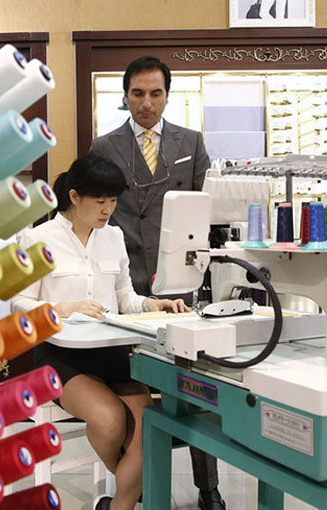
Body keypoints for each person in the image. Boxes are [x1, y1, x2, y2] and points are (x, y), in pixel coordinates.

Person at [11, 154, 190, 510]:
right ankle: (131, 481)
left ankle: (116, 504)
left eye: (113, 201)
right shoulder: (37, 239)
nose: (108, 209)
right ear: (74, 196)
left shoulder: (114, 237)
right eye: (100, 201)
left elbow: (125, 297)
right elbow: (19, 303)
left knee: (147, 430)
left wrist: (152, 304)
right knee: (110, 421)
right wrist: (63, 308)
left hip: (113, 352)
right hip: (60, 356)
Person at [89, 56, 226, 510]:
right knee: (134, 385)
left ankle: (209, 488)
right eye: (138, 93)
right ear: (125, 96)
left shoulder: (191, 142)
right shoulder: (104, 145)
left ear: (167, 95)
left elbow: (208, 208)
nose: (146, 103)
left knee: (194, 388)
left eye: (155, 93)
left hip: (178, 282)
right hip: (124, 283)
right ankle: (138, 479)